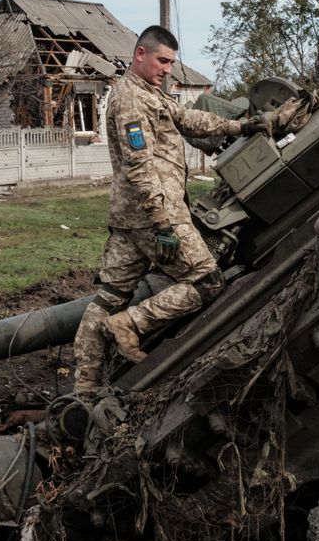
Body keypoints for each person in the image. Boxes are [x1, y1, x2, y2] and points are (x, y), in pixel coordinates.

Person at [72, 25, 270, 393]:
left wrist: (239, 125)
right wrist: (162, 223)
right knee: (207, 280)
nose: (167, 68)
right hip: (154, 215)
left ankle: (84, 384)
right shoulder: (129, 99)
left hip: (130, 220)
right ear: (140, 55)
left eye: (172, 62)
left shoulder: (152, 95)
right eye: (162, 60)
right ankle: (131, 324)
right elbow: (139, 167)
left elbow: (190, 119)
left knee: (106, 298)